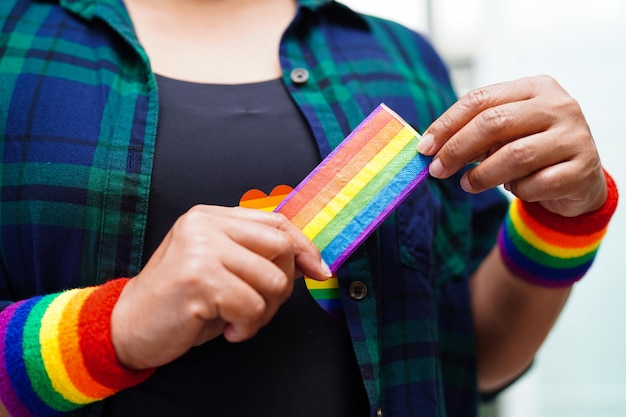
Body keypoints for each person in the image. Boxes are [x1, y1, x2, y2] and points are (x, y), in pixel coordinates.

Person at [0, 0, 618, 416]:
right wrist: (111, 329)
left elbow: (472, 351)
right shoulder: (13, 41)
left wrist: (567, 217)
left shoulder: (402, 57)